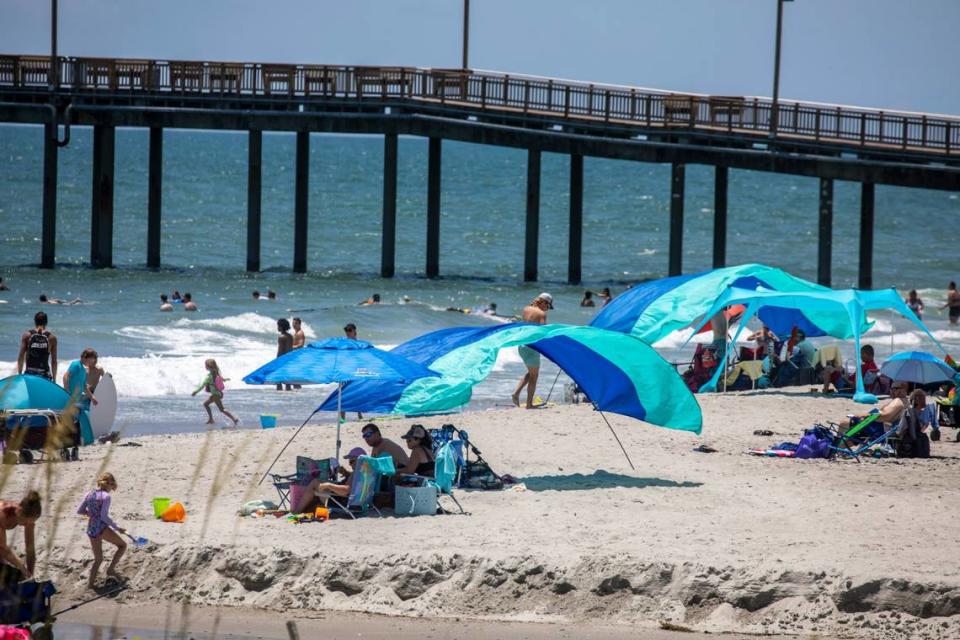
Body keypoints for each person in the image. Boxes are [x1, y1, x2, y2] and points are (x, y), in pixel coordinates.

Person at [76, 473, 126, 588]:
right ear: (110, 484)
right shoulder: (106, 497)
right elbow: (104, 516)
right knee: (122, 545)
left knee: (98, 559)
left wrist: (92, 514)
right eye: (112, 485)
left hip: (91, 529)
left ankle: (90, 585)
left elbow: (80, 511)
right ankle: (111, 570)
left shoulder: (89, 494)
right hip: (101, 528)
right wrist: (117, 528)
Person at [292, 447, 365, 513]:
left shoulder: (356, 473)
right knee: (316, 493)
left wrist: (329, 485)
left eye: (351, 461)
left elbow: (346, 491)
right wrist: (345, 473)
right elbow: (353, 485)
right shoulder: (363, 473)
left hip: (341, 502)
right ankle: (301, 510)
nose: (350, 464)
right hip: (352, 502)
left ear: (359, 461)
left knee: (315, 483)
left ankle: (296, 511)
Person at [512, 293, 552, 409]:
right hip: (532, 347)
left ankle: (516, 394)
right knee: (534, 377)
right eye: (548, 306)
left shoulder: (526, 309)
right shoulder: (542, 314)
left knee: (531, 373)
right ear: (544, 302)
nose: (547, 309)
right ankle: (529, 404)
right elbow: (543, 331)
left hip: (522, 345)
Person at [0, 491, 40, 583]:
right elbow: (3, 549)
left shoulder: (28, 520)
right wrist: (22, 567)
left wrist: (30, 575)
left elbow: (30, 550)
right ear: (19, 511)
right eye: (25, 522)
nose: (27, 525)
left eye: (31, 522)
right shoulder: (2, 514)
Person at [191, 359, 239, 426]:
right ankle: (213, 419)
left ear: (208, 366)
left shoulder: (209, 377)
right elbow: (221, 379)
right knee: (215, 407)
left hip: (215, 395)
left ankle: (233, 419)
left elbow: (202, 385)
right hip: (219, 393)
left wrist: (195, 392)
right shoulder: (216, 373)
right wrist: (225, 379)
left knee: (217, 408)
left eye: (205, 365)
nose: (205, 366)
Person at [18, 311, 57, 380]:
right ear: (46, 322)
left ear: (35, 321)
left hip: (30, 374)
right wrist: (54, 378)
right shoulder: (52, 338)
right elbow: (54, 361)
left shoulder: (27, 335)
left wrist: (20, 374)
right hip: (45, 376)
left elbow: (21, 356)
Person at [276, 318, 294, 391]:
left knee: (278, 379)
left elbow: (280, 350)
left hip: (282, 359)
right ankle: (288, 394)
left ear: (281, 327)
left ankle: (279, 393)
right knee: (287, 380)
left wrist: (276, 360)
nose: (277, 327)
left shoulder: (281, 337)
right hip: (289, 358)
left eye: (278, 326)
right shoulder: (290, 336)